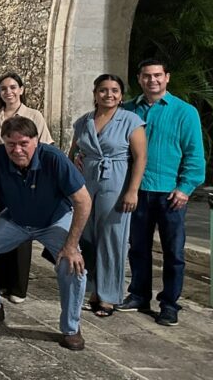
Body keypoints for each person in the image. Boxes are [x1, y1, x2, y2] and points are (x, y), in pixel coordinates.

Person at [0, 116, 92, 351]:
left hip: (54, 219)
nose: (17, 149)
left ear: (36, 140)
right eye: (11, 144)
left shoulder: (54, 158)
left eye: (23, 143)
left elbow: (83, 201)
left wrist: (71, 246)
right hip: (16, 219)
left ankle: (71, 328)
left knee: (72, 265)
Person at [117, 59, 205, 326]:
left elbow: (194, 154)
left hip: (170, 194)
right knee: (138, 248)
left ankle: (169, 304)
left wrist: (185, 187)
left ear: (167, 77)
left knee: (174, 252)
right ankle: (138, 295)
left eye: (157, 75)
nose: (152, 80)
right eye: (147, 76)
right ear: (139, 78)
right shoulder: (128, 109)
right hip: (138, 191)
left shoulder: (185, 112)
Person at [68, 74, 146, 317]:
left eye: (114, 90)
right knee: (87, 236)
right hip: (87, 181)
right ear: (95, 93)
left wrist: (132, 191)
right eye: (103, 90)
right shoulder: (83, 121)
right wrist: (75, 167)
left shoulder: (131, 120)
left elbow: (141, 158)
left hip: (116, 181)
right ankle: (91, 289)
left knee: (112, 238)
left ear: (121, 95)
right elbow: (71, 153)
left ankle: (110, 295)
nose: (108, 94)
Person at [0, 72, 54, 303]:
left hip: (26, 179)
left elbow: (44, 147)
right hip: (1, 179)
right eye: (4, 88)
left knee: (23, 230)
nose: (9, 92)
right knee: (0, 228)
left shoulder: (33, 115)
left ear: (21, 89)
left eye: (13, 87)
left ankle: (18, 287)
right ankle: (2, 280)